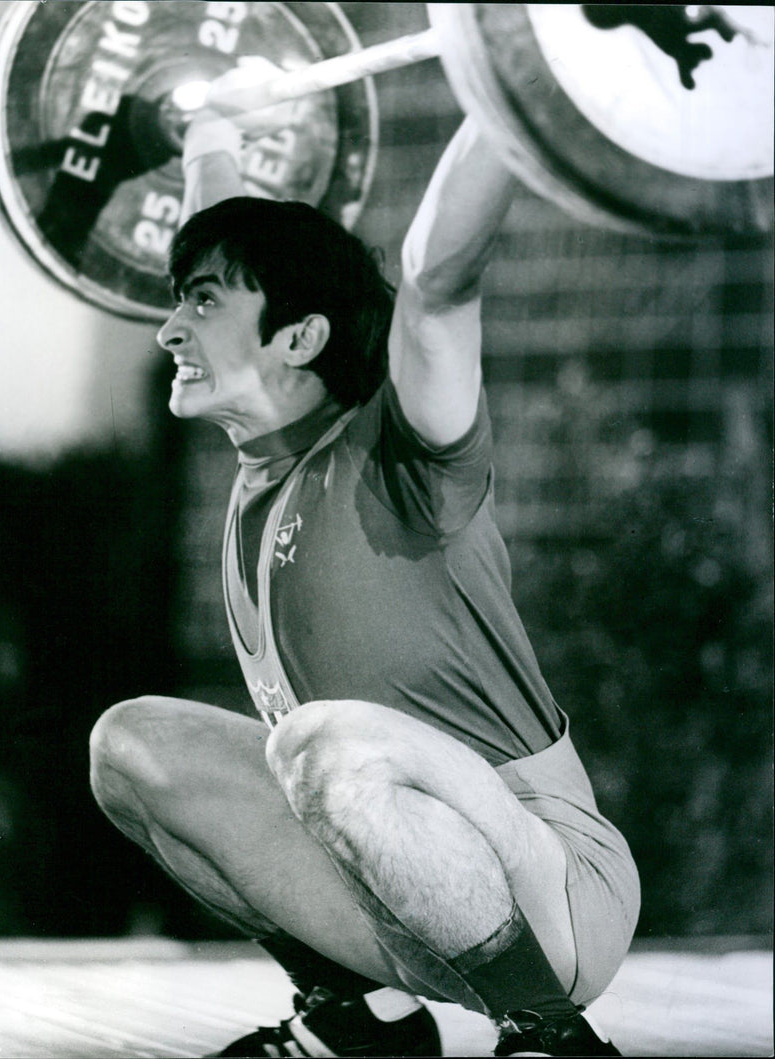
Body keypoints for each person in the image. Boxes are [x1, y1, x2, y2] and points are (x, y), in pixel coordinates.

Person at [89, 68, 640, 1058]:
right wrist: (209, 129)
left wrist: (512, 84)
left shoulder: (397, 451)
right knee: (132, 745)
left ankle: (548, 1032)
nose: (169, 328)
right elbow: (241, 237)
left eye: (199, 304)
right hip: (393, 881)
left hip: (549, 884)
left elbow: (436, 283)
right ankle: (362, 1019)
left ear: (298, 338)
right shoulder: (268, 468)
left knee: (324, 746)